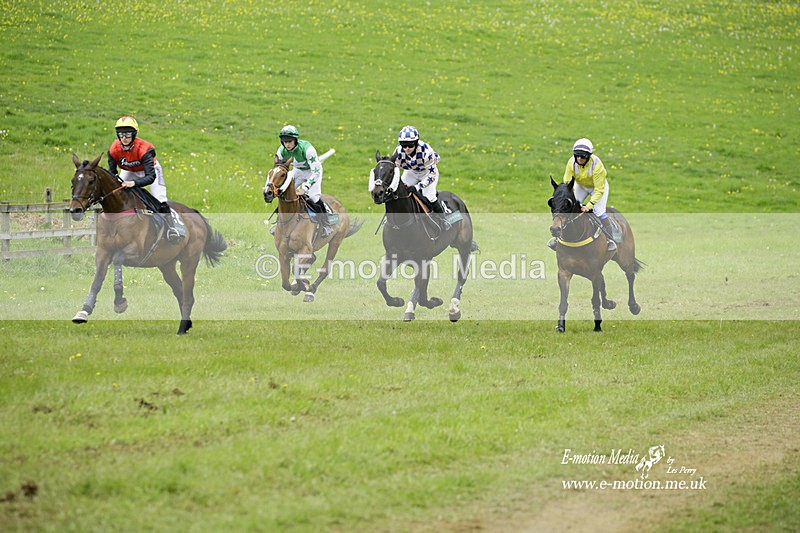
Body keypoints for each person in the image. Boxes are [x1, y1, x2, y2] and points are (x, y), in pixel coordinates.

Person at [107, 116, 180, 242]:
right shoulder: (113, 149)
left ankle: (171, 228)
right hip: (129, 170)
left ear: (134, 134)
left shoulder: (145, 149)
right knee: (115, 192)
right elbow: (112, 174)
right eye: (121, 134)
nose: (124, 138)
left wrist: (133, 183)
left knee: (161, 199)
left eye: (128, 135)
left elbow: (150, 177)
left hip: (150, 171)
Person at [548, 138, 617, 253]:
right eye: (577, 156)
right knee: (568, 208)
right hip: (581, 186)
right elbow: (567, 182)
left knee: (599, 211)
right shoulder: (571, 162)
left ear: (589, 156)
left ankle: (610, 239)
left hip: (597, 188)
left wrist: (588, 206)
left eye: (583, 156)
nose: (579, 159)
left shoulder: (597, 166)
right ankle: (557, 240)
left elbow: (599, 190)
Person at [273, 125, 332, 237]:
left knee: (313, 197)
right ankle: (279, 223)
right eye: (284, 142)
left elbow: (316, 171)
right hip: (298, 171)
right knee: (284, 194)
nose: (287, 144)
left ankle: (326, 223)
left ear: (295, 140)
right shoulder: (281, 151)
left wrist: (305, 189)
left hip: (313, 172)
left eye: (290, 141)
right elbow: (281, 169)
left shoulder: (308, 150)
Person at [392, 125, 449, 228]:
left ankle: (444, 219)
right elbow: (395, 169)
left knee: (429, 196)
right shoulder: (399, 151)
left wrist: (418, 187)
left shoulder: (426, 152)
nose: (407, 148)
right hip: (411, 172)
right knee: (400, 192)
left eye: (410, 145)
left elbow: (432, 175)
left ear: (416, 142)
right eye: (404, 145)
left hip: (428, 173)